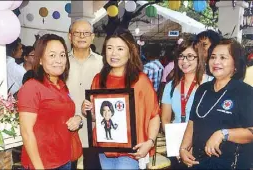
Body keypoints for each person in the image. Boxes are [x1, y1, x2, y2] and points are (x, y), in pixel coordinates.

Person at [82, 28, 160, 169]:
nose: (114, 53)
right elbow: (96, 118)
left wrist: (150, 142)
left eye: (120, 49)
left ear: (130, 53)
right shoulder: (99, 79)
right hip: (105, 149)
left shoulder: (140, 81)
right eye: (110, 48)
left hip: (132, 151)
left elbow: (154, 115)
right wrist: (88, 110)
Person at [180, 38, 253, 169]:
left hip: (231, 164)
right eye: (213, 57)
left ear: (236, 64)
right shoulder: (203, 89)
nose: (216, 62)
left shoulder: (245, 92)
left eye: (223, 57)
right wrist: (184, 148)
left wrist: (223, 134)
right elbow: (192, 122)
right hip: (199, 162)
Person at [18, 34, 82, 169]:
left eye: (62, 55)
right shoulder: (32, 87)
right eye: (52, 55)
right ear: (40, 59)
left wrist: (78, 119)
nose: (59, 60)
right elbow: (26, 132)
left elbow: (63, 116)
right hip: (43, 164)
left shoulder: (62, 86)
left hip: (65, 160)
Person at [161, 37, 212, 169]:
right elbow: (165, 119)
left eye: (190, 56)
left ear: (199, 57)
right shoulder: (170, 86)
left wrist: (191, 146)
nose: (184, 61)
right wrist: (177, 146)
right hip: (176, 144)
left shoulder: (211, 84)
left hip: (203, 145)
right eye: (181, 56)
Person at [66, 18, 103, 169]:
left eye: (86, 33)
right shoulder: (61, 63)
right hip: (67, 131)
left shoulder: (103, 64)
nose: (82, 36)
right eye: (77, 33)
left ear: (92, 36)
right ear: (70, 36)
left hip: (95, 132)